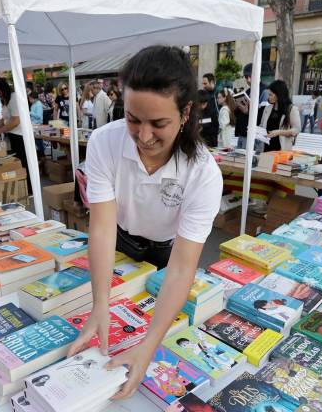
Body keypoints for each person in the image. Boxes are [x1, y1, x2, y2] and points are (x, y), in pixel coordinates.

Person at [67, 45, 223, 399]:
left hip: (168, 253)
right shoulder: (104, 142)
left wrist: (149, 346)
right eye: (133, 119)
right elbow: (102, 227)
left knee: (154, 325)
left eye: (159, 123)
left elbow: (182, 269)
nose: (144, 136)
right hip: (120, 243)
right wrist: (100, 302)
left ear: (185, 113)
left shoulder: (203, 173)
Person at [0, 78, 32, 192]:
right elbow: (5, 118)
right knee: (16, 162)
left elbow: (16, 121)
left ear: (3, 89)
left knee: (23, 163)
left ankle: (29, 189)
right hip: (12, 135)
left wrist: (0, 130)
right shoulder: (6, 100)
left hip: (20, 135)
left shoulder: (14, 98)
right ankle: (21, 187)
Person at [256, 80, 300, 152]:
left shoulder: (292, 109)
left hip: (282, 149)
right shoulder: (267, 109)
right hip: (266, 149)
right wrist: (256, 131)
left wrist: (278, 132)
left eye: (271, 95)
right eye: (268, 94)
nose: (268, 97)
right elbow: (262, 126)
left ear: (279, 95)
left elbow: (296, 130)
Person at [234, 63, 269, 148]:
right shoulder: (248, 91)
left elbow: (264, 116)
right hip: (242, 133)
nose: (248, 80)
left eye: (250, 76)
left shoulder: (265, 91)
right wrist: (237, 106)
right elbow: (238, 114)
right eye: (246, 77)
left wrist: (247, 112)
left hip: (253, 135)